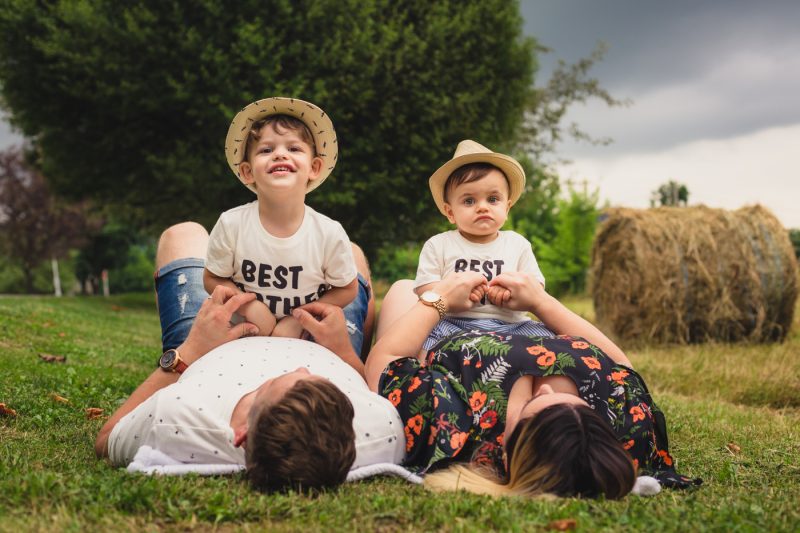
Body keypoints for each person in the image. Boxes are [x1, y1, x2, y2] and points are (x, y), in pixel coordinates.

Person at [95, 222, 403, 493]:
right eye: (317, 380)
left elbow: (106, 438)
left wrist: (189, 351)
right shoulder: (379, 430)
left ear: (241, 435)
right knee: (349, 253)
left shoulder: (176, 419)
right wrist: (343, 352)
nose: (300, 366)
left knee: (184, 234)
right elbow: (369, 383)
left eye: (268, 386)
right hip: (325, 340)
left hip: (211, 343)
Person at [365, 272, 701, 498]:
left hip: (443, 329)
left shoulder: (458, 433)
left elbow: (386, 363)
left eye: (529, 409)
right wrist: (541, 302)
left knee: (401, 287)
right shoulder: (620, 428)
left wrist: (439, 301)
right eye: (576, 401)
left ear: (509, 454)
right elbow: (622, 367)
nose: (545, 389)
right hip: (523, 319)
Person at [204, 97, 358, 339]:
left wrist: (301, 319)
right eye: (266, 150)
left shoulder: (328, 233)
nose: (280, 155)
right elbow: (213, 277)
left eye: (294, 148)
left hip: (304, 336)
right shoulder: (231, 224)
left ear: (314, 168)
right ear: (247, 172)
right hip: (242, 333)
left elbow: (347, 288)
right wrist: (249, 306)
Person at [413, 140, 551, 352]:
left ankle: (540, 383)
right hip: (454, 323)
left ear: (507, 207)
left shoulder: (517, 244)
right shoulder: (439, 244)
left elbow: (535, 287)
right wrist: (452, 295)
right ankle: (426, 379)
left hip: (511, 325)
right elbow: (425, 287)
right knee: (421, 342)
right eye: (469, 201)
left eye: (493, 199)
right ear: (450, 212)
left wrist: (510, 293)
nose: (482, 207)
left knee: (548, 341)